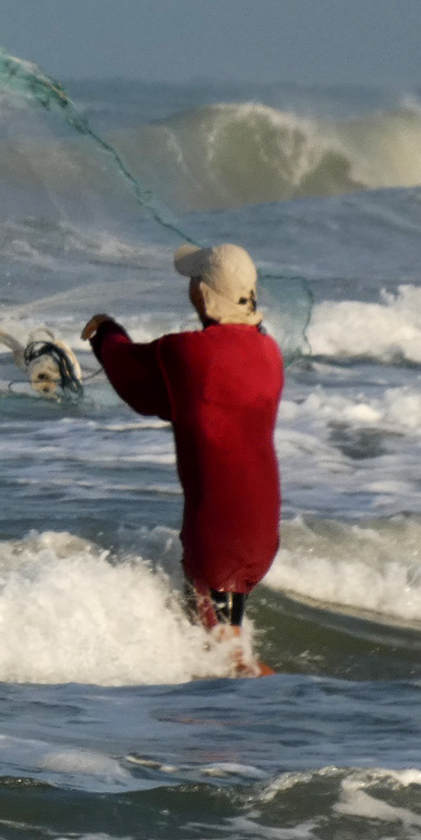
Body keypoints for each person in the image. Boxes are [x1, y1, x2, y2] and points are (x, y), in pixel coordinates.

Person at [81, 243, 283, 655]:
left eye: (194, 279)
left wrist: (106, 331)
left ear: (203, 293)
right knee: (222, 652)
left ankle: (287, 707)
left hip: (217, 538)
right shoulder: (270, 353)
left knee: (226, 663)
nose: (189, 286)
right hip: (261, 532)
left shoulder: (188, 353)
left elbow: (130, 376)